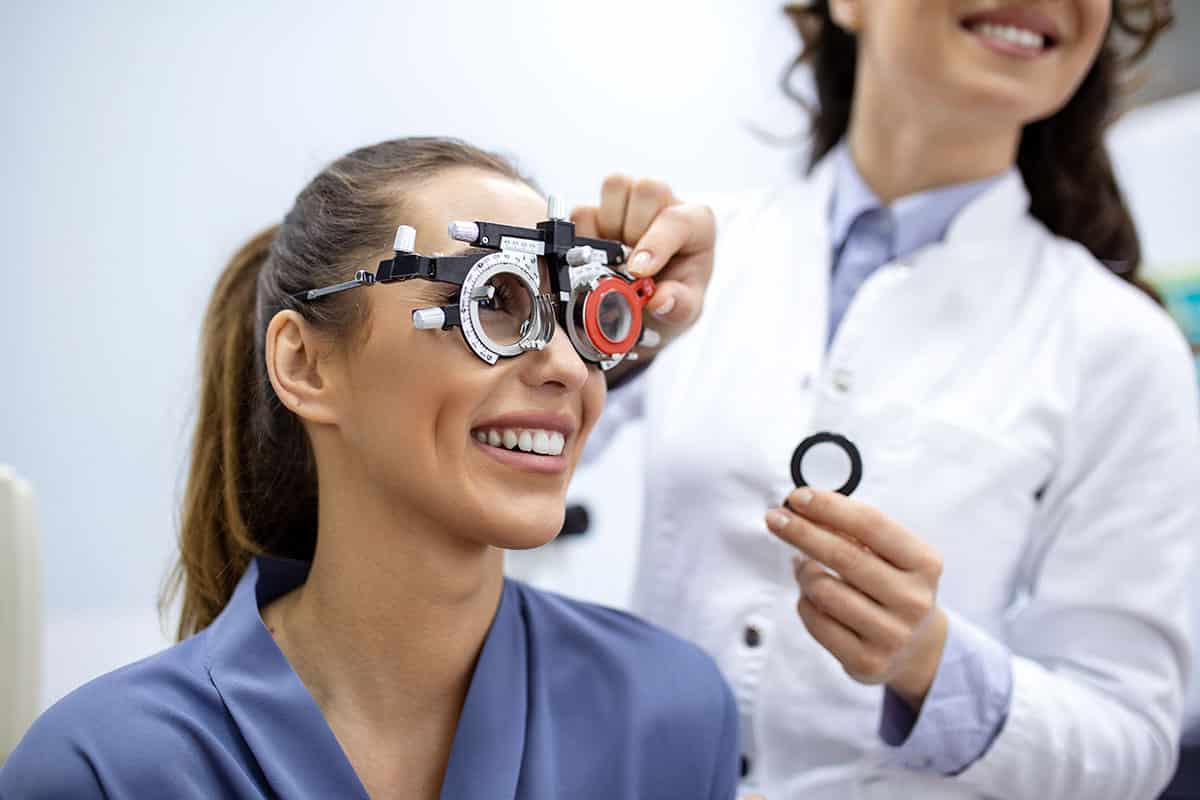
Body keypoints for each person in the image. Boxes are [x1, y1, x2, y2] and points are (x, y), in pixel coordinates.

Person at [573, 1, 1199, 797]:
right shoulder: (691, 255)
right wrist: (596, 325)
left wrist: (932, 662)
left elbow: (1132, 742)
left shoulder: (1123, 346)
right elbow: (464, 464)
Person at [0, 138, 740, 799]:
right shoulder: (105, 770)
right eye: (496, 302)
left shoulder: (670, 715)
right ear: (306, 364)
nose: (566, 370)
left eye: (581, 318)